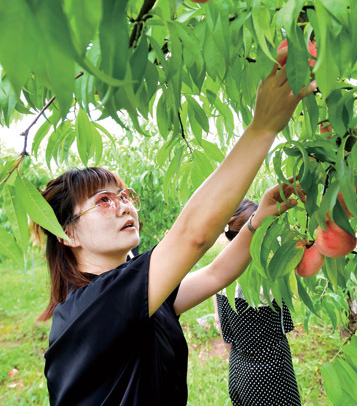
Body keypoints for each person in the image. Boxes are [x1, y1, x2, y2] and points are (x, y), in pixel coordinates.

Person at [32, 48, 315, 406]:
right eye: (103, 200)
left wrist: (258, 220)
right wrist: (263, 128)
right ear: (67, 234)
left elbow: (214, 274)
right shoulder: (95, 306)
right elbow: (192, 236)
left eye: (124, 195)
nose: (123, 205)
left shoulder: (138, 295)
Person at [214, 200, 301, 406]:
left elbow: (223, 327)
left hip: (239, 369)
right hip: (271, 370)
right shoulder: (268, 276)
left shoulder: (220, 274)